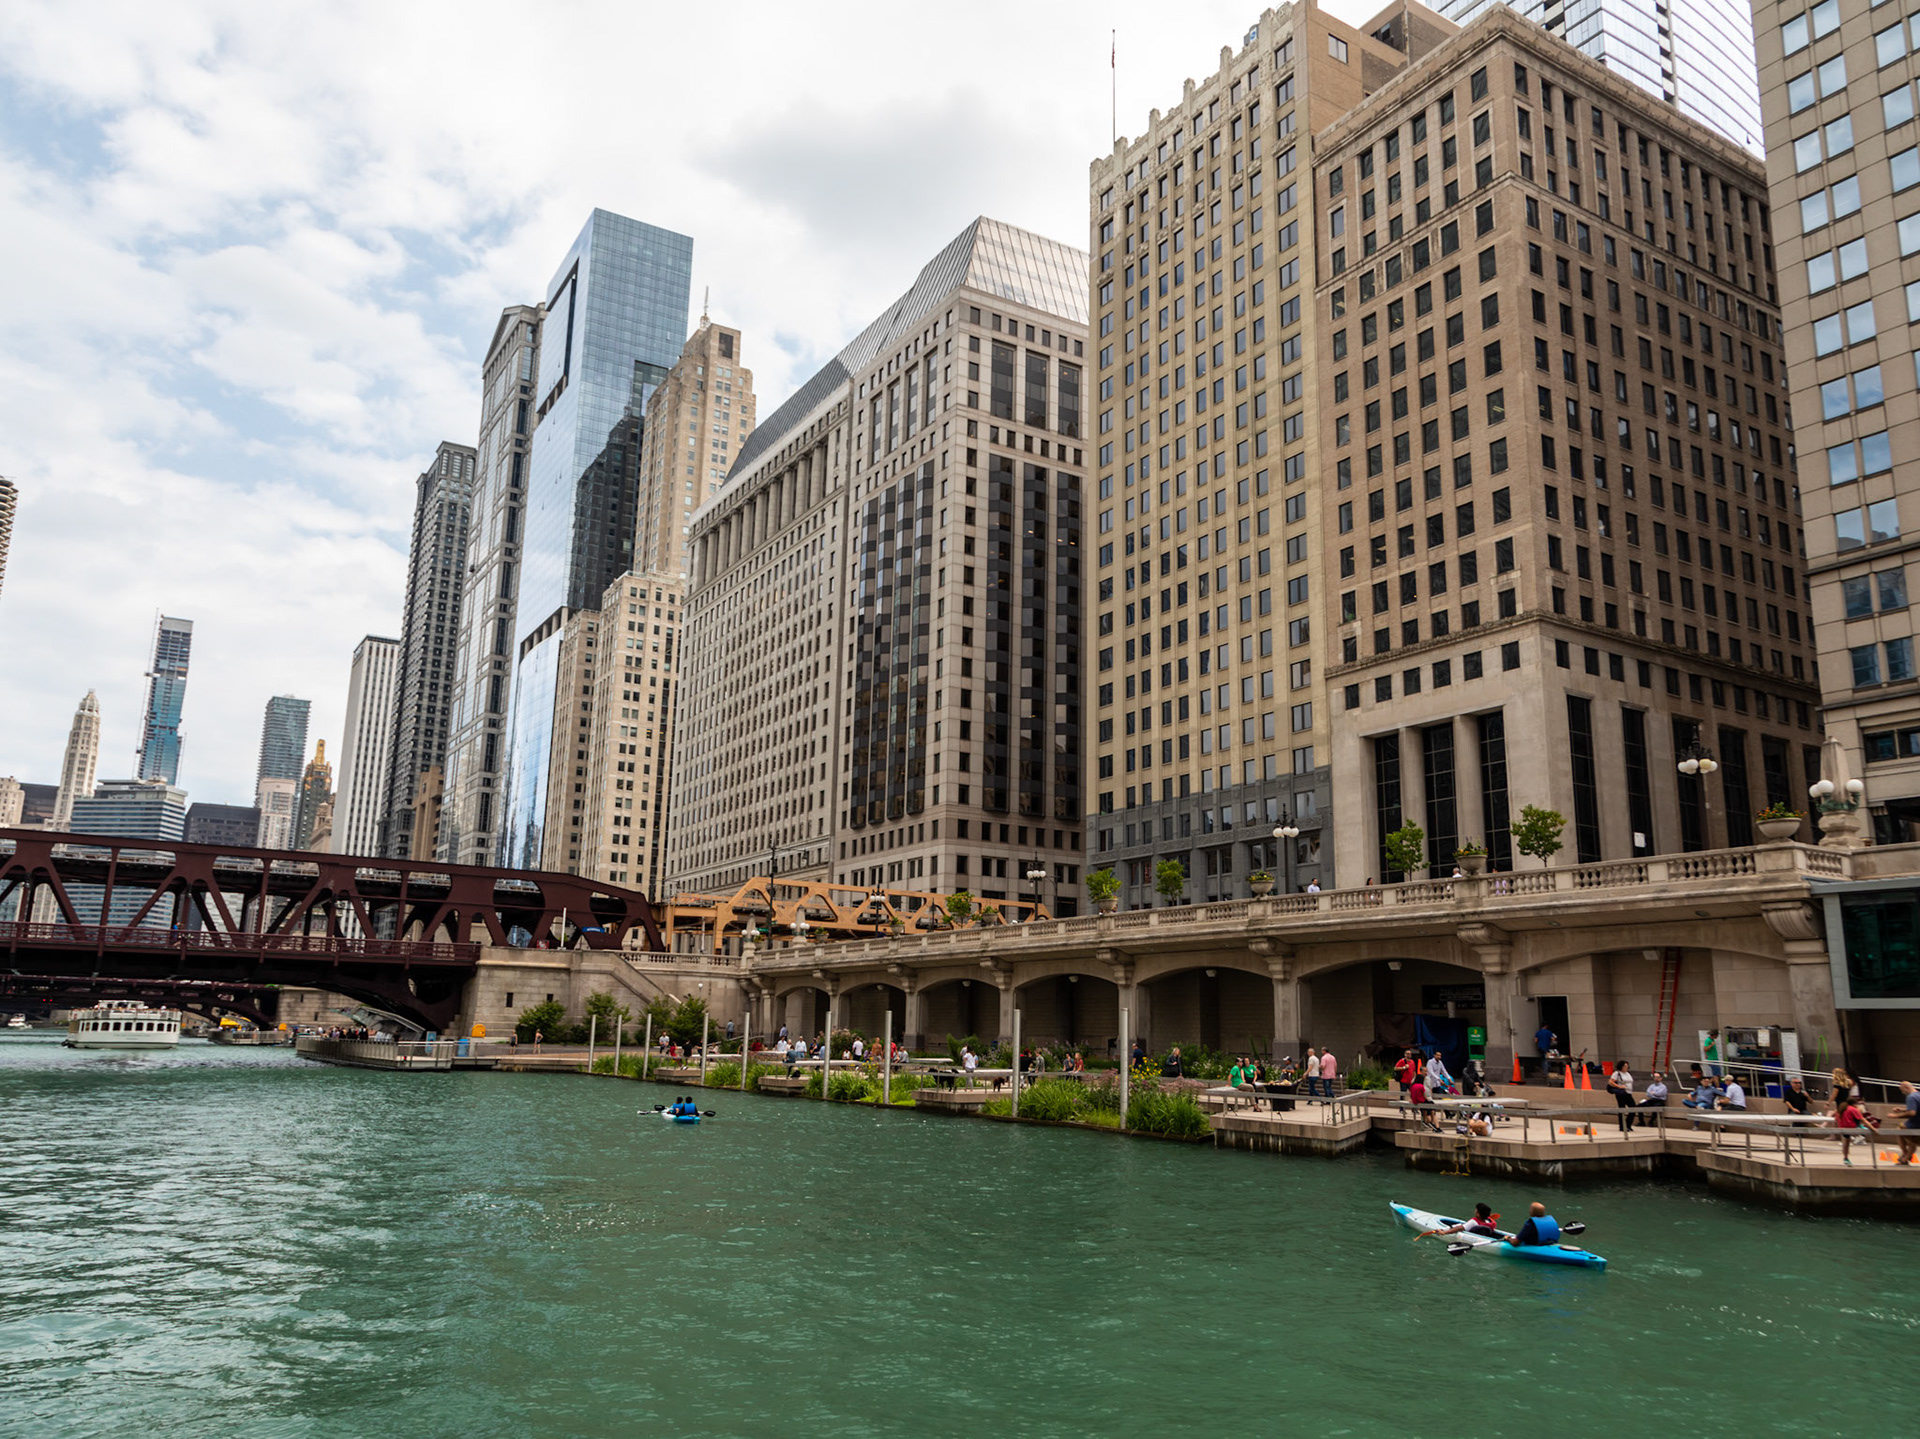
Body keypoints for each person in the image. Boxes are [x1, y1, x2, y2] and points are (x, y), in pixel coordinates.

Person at [1424, 1203, 1502, 1240]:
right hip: (1484, 1235)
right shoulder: (1491, 1222)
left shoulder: (1473, 1222)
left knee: (1458, 1226)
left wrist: (1444, 1232)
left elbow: (1459, 1228)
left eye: (1476, 1210)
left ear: (1478, 1214)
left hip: (1472, 1235)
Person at [1836, 1092, 1872, 1165]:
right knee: (1847, 1142)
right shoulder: (1853, 1109)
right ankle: (1859, 1128)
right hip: (1851, 1127)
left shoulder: (1842, 1108)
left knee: (1846, 1142)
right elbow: (1863, 1119)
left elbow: (1837, 1118)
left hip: (1842, 1127)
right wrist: (1873, 1129)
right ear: (1854, 1104)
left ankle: (1846, 1158)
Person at [1608, 1060, 1636, 1129]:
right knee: (1622, 1109)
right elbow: (1610, 1082)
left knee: (1633, 1108)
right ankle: (1622, 1126)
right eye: (1624, 1066)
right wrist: (1620, 1086)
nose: (1626, 1067)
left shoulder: (1627, 1073)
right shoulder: (1617, 1073)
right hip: (1622, 1093)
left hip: (1629, 1093)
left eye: (1627, 1066)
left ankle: (1628, 1124)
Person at [1899, 1081, 1920, 1165]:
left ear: (1906, 1088)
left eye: (1902, 1091)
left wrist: (1895, 1116)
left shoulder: (1911, 1097)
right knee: (1911, 1143)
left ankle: (1905, 1153)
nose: (1903, 1093)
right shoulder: (1918, 1094)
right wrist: (1903, 1109)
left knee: (1899, 1129)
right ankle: (1905, 1159)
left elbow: (1912, 1113)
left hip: (1915, 1125)